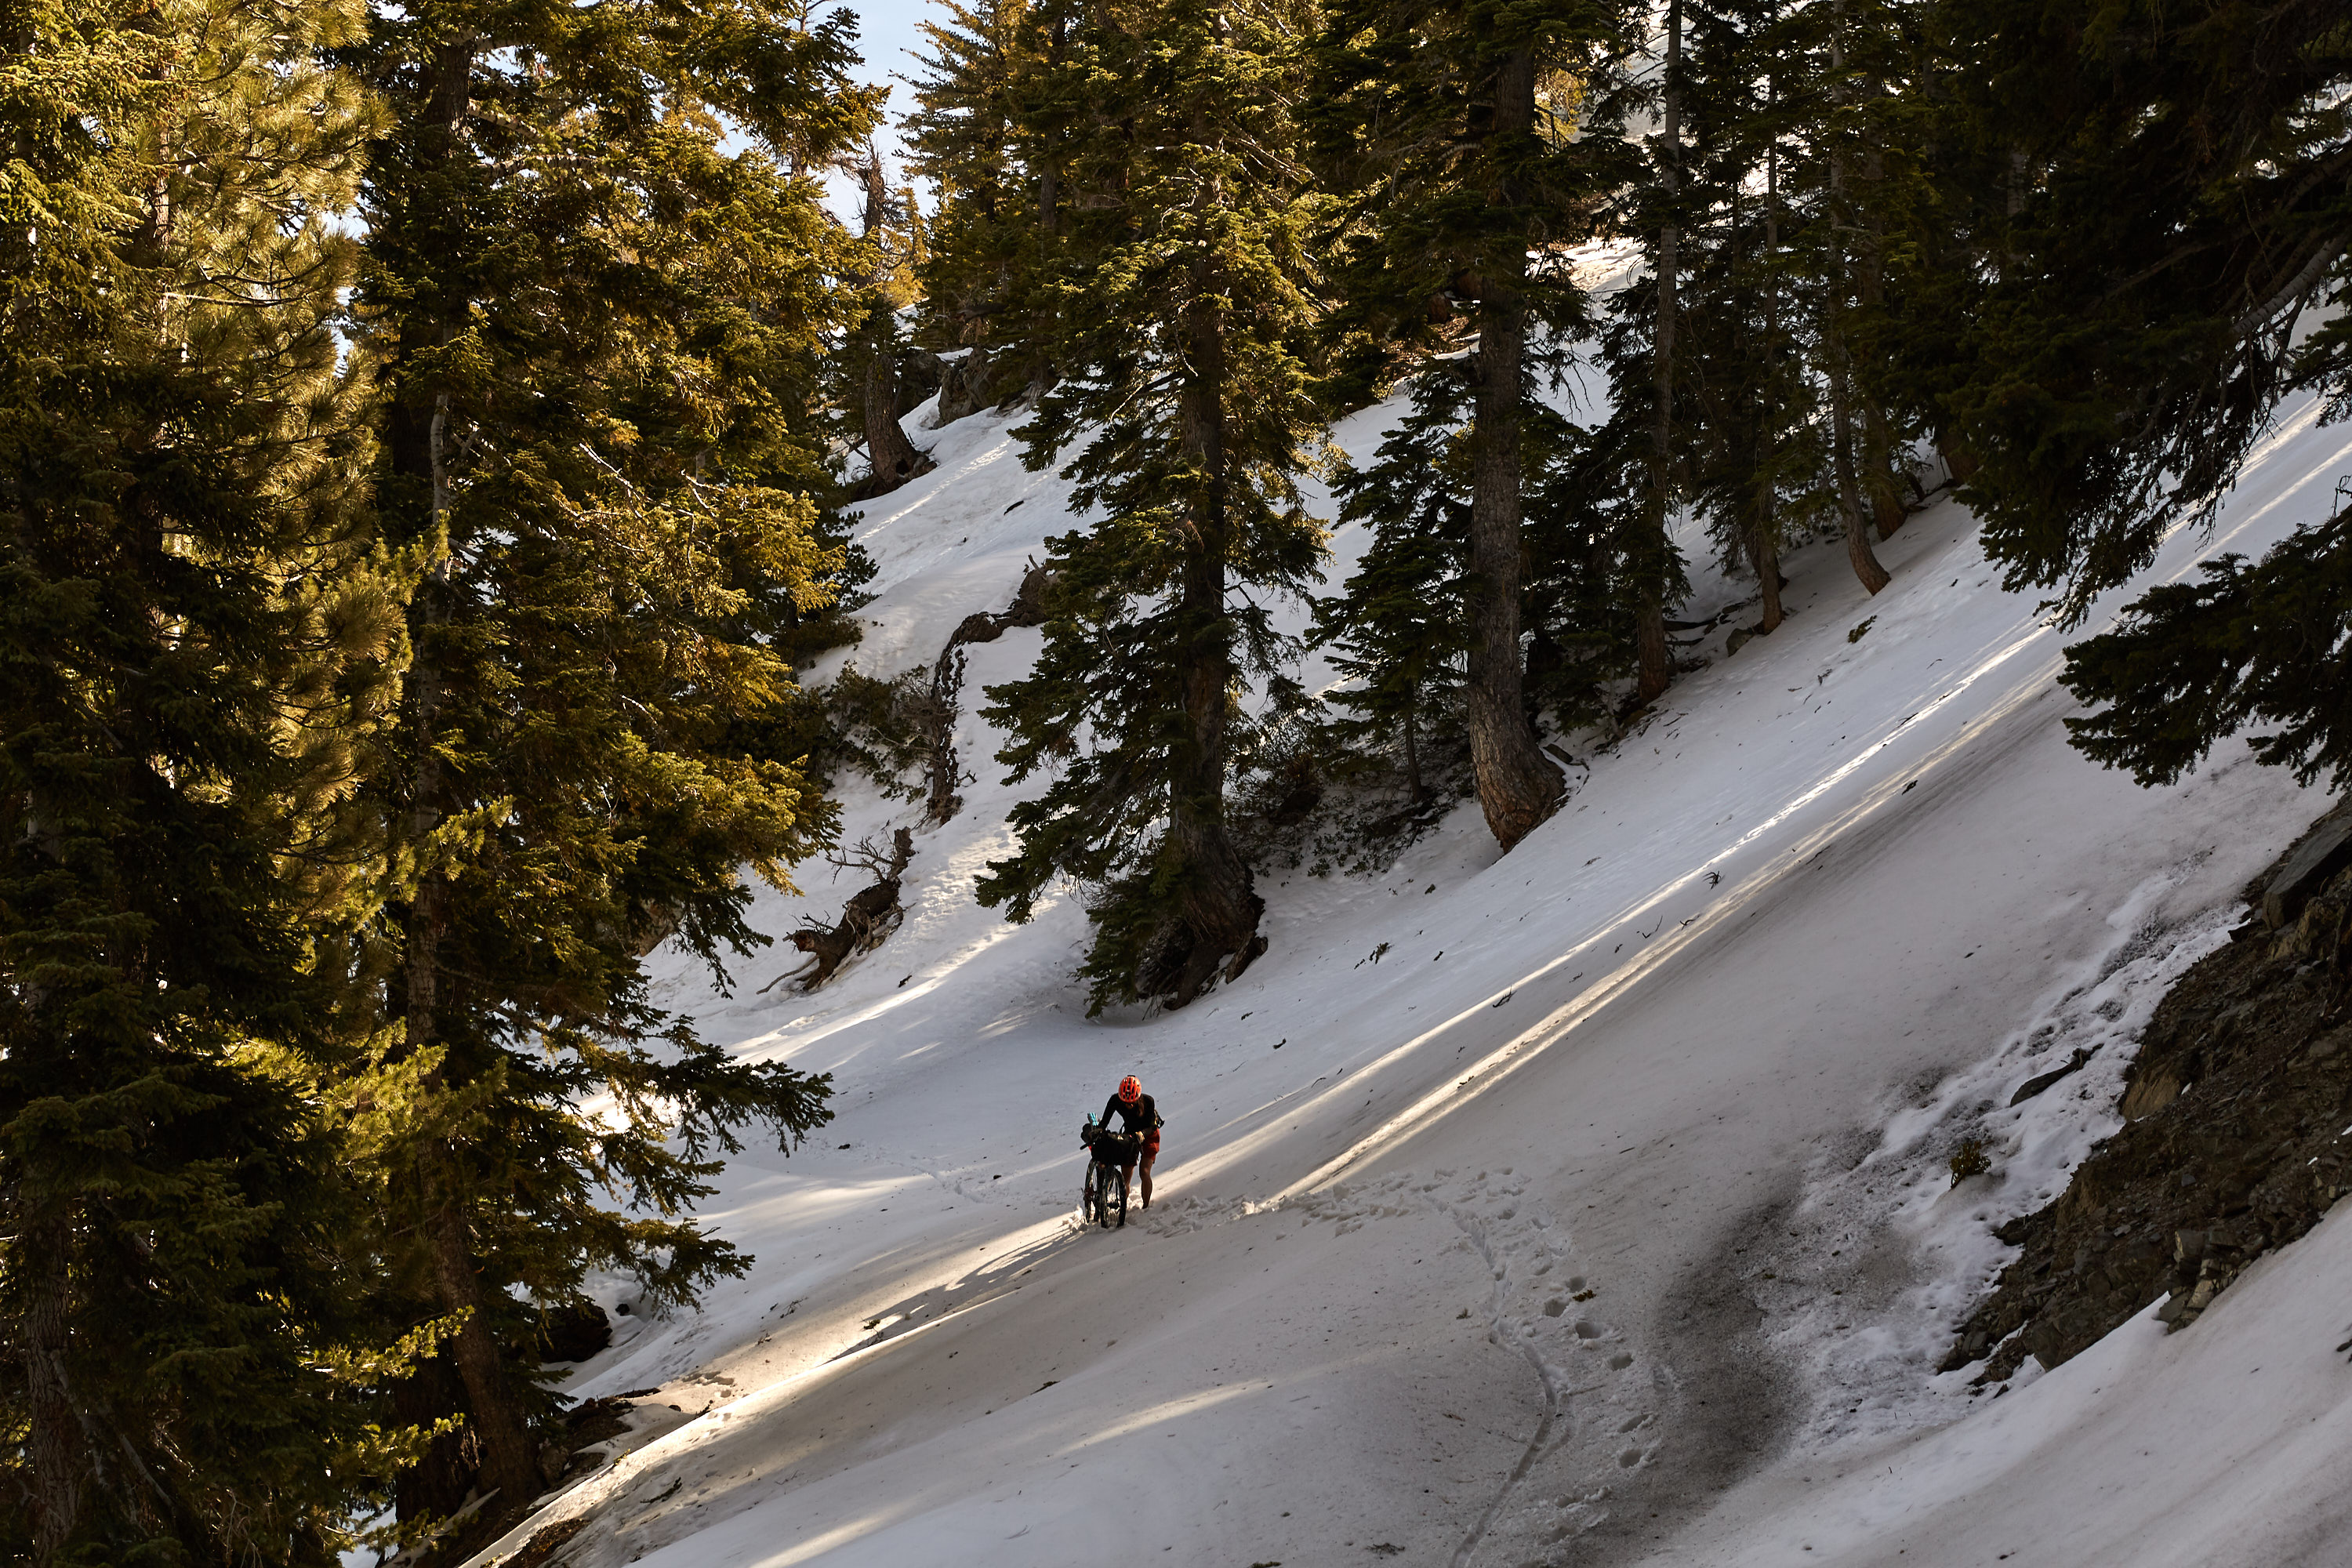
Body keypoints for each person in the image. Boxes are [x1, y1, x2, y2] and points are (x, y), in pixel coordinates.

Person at [1101, 1074, 1162, 1209]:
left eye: (1132, 1102)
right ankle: (1122, 1207)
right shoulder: (1115, 1100)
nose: (1129, 1105)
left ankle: (1146, 1207)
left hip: (1149, 1135)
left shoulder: (1148, 1101)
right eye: (1125, 1102)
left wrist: (1142, 1134)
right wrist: (1099, 1131)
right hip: (1130, 1135)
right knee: (1125, 1177)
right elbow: (1105, 1121)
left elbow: (1152, 1126)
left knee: (1144, 1172)